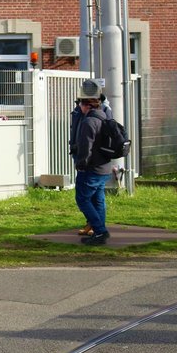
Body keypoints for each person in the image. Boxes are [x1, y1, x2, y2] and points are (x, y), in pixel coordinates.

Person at [73, 80, 114, 245]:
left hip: (92, 169)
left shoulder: (89, 121)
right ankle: (99, 231)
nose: (79, 107)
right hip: (104, 167)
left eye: (80, 103)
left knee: (82, 199)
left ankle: (100, 231)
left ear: (86, 105)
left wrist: (80, 165)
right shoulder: (103, 116)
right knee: (98, 200)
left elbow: (85, 147)